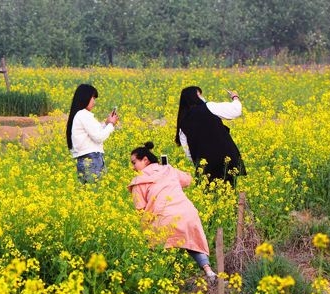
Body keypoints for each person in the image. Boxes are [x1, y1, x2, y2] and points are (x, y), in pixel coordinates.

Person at [127, 141, 217, 283]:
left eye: (134, 163)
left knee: (153, 248)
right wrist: (168, 171)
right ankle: (209, 272)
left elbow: (140, 209)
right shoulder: (168, 169)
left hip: (163, 218)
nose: (133, 167)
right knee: (192, 241)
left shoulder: (139, 181)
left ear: (145, 160)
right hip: (187, 213)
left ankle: (156, 281)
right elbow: (188, 180)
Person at [175, 85, 245, 187]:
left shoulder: (183, 122)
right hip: (226, 160)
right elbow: (236, 110)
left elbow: (188, 152)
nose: (202, 97)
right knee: (229, 193)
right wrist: (235, 97)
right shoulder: (209, 107)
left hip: (205, 165)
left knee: (209, 196)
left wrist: (199, 162)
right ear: (195, 97)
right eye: (199, 95)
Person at [66, 83, 119, 183]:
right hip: (91, 160)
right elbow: (98, 137)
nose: (94, 102)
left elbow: (94, 132)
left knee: (88, 193)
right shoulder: (83, 114)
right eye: (93, 98)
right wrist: (111, 124)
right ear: (85, 97)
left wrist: (106, 123)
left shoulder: (79, 115)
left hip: (86, 160)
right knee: (96, 190)